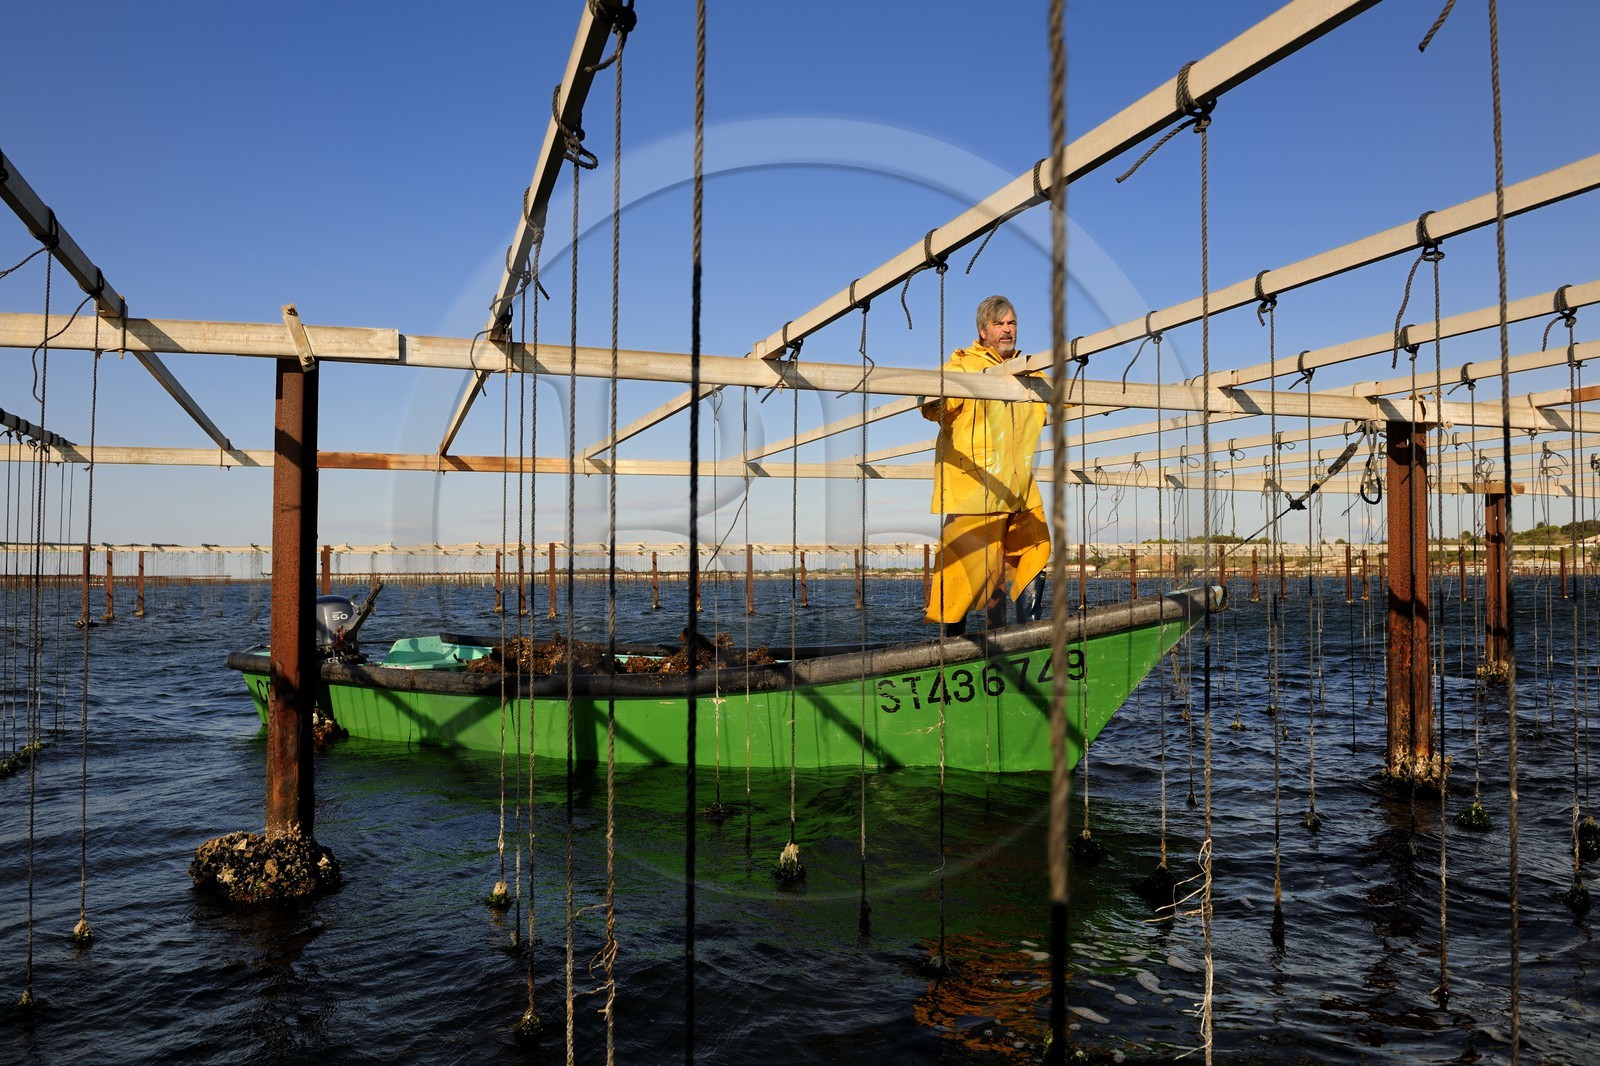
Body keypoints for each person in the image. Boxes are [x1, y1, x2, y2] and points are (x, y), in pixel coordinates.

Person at [922, 295, 1052, 636]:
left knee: (1036, 549)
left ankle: (1031, 635)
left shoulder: (1030, 371)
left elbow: (1059, 401)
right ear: (983, 330)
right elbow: (932, 403)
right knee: (964, 567)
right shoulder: (963, 365)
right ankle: (952, 645)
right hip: (975, 485)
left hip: (1018, 485)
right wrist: (936, 396)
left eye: (1011, 323)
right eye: (1000, 324)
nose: (1007, 330)